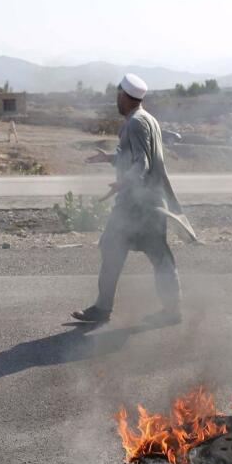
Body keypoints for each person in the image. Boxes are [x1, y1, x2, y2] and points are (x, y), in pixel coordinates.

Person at [72, 73, 196, 326]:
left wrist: (123, 182)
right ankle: (172, 310)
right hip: (153, 201)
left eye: (117, 94)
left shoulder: (135, 123)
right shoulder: (148, 119)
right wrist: (109, 158)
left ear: (123, 96)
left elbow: (142, 162)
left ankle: (103, 309)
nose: (116, 99)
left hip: (135, 204)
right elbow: (136, 156)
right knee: (159, 255)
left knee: (111, 246)